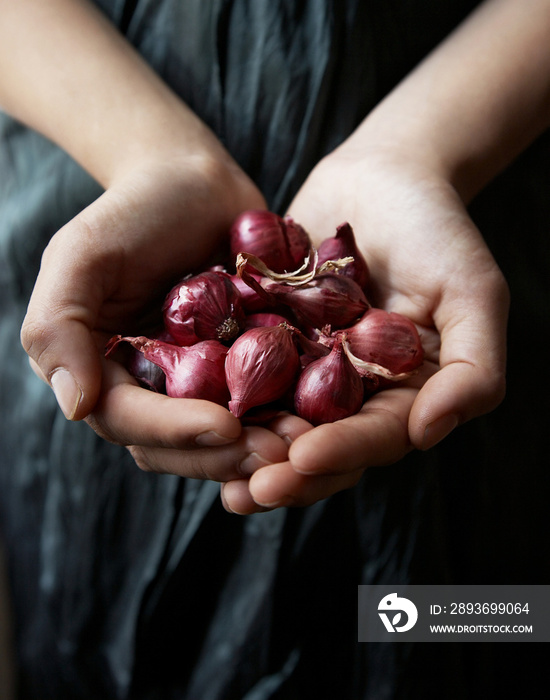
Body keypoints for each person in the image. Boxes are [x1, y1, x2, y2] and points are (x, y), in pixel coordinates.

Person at [0, 0, 548, 697]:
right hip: (94, 180)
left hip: (488, 179)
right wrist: (151, 153)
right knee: (99, 620)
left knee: (466, 627)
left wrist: (421, 148)